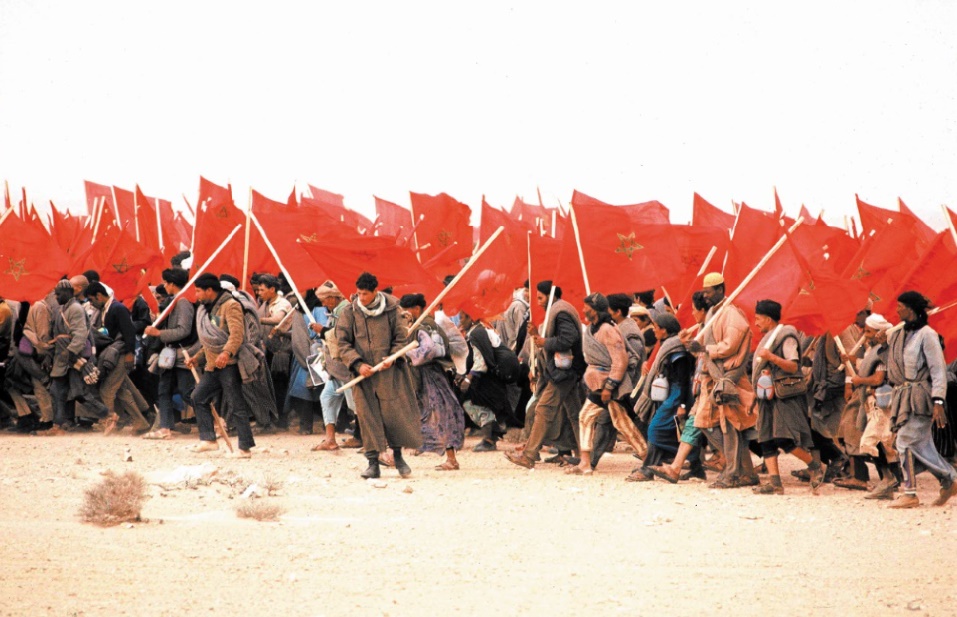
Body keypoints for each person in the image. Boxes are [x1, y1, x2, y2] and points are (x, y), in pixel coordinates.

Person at [335, 272, 421, 479]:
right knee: (367, 417)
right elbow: (343, 343)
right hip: (363, 376)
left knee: (394, 416)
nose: (361, 298)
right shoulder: (350, 312)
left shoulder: (392, 309)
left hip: (390, 374)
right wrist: (357, 364)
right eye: (359, 293)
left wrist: (392, 357)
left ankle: (398, 457)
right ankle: (373, 463)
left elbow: (401, 338)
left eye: (365, 294)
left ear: (375, 291)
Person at [682, 272, 758, 488]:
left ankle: (733, 473)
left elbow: (730, 346)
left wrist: (704, 348)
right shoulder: (713, 313)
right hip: (713, 378)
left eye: (708, 292)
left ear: (720, 289)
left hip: (728, 377)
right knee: (707, 423)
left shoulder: (731, 314)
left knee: (730, 426)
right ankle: (745, 471)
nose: (705, 296)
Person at [886, 291, 957, 508]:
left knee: (904, 441)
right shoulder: (899, 334)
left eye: (900, 306)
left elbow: (938, 370)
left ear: (910, 309)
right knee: (923, 445)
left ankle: (910, 493)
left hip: (920, 397)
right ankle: (950, 479)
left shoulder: (928, 335)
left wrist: (938, 401)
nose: (897, 310)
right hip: (902, 396)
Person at [505, 280, 585, 470]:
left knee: (543, 409)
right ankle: (585, 456)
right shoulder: (559, 309)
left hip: (563, 372)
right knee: (575, 414)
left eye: (540, 298)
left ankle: (529, 455)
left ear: (550, 296)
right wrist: (536, 335)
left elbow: (568, 339)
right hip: (566, 371)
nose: (538, 302)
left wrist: (544, 341)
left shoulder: (561, 311)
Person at [568, 293, 646, 476]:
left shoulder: (608, 330)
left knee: (621, 423)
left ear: (594, 309)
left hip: (608, 384)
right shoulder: (592, 329)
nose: (583, 310)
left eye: (586, 307)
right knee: (589, 417)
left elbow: (620, 360)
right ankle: (585, 462)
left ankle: (648, 459)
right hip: (598, 384)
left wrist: (609, 386)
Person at [748, 300, 821, 495]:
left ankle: (815, 466)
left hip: (783, 395)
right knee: (765, 438)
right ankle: (775, 483)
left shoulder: (786, 336)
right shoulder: (769, 338)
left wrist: (771, 357)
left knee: (783, 439)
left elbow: (793, 365)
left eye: (758, 319)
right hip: (766, 395)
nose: (756, 323)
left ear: (768, 319)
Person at [185, 273, 256, 457]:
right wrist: (197, 358)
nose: (196, 295)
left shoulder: (231, 305)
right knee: (198, 397)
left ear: (209, 290)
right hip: (212, 365)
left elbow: (236, 335)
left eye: (198, 291)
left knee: (236, 404)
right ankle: (209, 440)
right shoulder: (208, 309)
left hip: (229, 364)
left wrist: (226, 353)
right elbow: (211, 340)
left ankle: (245, 447)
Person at [401, 293, 465, 471]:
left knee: (440, 414)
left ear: (416, 309)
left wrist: (407, 353)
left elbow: (429, 351)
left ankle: (451, 459)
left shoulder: (424, 326)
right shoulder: (422, 325)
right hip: (422, 375)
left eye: (406, 311)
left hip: (430, 375)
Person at [628, 313, 694, 481]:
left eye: (656, 327)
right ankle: (651, 467)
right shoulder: (666, 346)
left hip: (676, 396)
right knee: (660, 430)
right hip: (668, 393)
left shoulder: (677, 351)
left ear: (664, 330)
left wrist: (682, 405)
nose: (654, 330)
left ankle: (654, 467)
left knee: (655, 430)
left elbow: (684, 380)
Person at [847, 313, 903, 500]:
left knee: (871, 442)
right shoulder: (874, 350)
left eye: (869, 331)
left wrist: (859, 381)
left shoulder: (883, 352)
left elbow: (878, 378)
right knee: (883, 443)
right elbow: (867, 366)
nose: (865, 334)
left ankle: (889, 479)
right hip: (873, 404)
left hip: (881, 405)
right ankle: (891, 481)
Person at [44, 279, 109, 434]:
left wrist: (71, 353)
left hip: (74, 357)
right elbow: (56, 335)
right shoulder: (61, 309)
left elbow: (80, 335)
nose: (56, 297)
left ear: (68, 293)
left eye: (58, 294)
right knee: (56, 391)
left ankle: (108, 415)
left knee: (80, 393)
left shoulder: (75, 309)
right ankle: (58, 425)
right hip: (62, 357)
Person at [87, 281, 150, 434]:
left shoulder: (117, 308)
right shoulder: (106, 310)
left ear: (99, 296)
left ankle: (110, 421)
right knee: (121, 390)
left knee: (107, 390)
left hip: (121, 354)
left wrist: (129, 354)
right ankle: (140, 421)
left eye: (92, 299)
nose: (91, 304)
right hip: (114, 354)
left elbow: (129, 332)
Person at [142, 268, 197, 440]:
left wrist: (159, 333)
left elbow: (183, 330)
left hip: (182, 353)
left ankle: (216, 420)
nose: (164, 286)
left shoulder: (183, 302)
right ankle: (165, 427)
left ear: (172, 284)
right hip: (169, 354)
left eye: (165, 283)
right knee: (163, 390)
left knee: (187, 392)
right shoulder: (174, 300)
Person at [311, 281, 358, 450]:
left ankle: (363, 438)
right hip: (336, 369)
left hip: (346, 368)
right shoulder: (337, 311)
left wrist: (322, 331)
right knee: (327, 398)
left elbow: (342, 335)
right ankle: (330, 439)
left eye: (325, 300)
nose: (324, 304)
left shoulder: (345, 310)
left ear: (332, 298)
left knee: (356, 405)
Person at [458, 309, 511, 452]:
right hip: (490, 376)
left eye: (462, 317)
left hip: (486, 378)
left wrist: (468, 379)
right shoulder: (480, 331)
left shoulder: (476, 333)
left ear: (470, 318)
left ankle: (488, 440)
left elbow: (481, 361)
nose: (460, 321)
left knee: (475, 404)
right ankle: (491, 437)